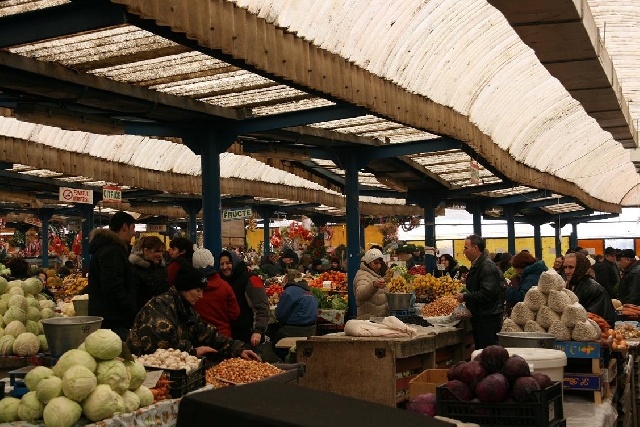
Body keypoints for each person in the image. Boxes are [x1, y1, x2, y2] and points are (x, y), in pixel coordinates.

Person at [126, 264, 260, 361]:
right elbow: (160, 349)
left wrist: (237, 349)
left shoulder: (186, 309)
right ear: (184, 288)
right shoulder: (159, 309)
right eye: (197, 290)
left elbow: (207, 333)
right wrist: (193, 351)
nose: (201, 296)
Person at [87, 211, 137, 341]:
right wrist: (131, 308)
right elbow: (113, 287)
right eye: (133, 228)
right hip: (113, 320)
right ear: (125, 227)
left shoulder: (105, 249)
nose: (134, 233)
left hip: (106, 316)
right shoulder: (113, 251)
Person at [455, 234, 503, 349]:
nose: (464, 251)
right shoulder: (479, 264)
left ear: (475, 248)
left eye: (466, 248)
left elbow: (487, 294)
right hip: (481, 317)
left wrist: (465, 297)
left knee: (487, 353)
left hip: (487, 319)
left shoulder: (486, 266)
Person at [218, 249, 270, 351]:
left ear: (235, 262)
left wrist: (258, 330)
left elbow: (262, 307)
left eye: (228, 263)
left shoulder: (251, 279)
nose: (224, 267)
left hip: (249, 337)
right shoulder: (221, 281)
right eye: (222, 264)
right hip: (230, 338)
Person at [192, 248, 240, 338]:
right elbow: (234, 314)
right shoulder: (225, 287)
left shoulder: (189, 288)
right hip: (223, 337)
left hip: (199, 337)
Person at [273, 269, 318, 360]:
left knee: (274, 342)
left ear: (287, 278)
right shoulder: (310, 292)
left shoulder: (289, 292)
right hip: (311, 330)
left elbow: (280, 315)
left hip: (292, 331)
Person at [564, 252, 616, 328]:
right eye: (565, 267)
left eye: (571, 267)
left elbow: (596, 320)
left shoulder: (593, 289)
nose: (567, 271)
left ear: (580, 267)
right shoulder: (571, 285)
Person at [129, 235, 169, 311]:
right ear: (146, 251)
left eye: (161, 251)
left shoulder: (161, 268)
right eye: (157, 251)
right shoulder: (136, 271)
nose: (160, 255)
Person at [354, 248, 387, 320]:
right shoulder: (362, 275)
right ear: (369, 262)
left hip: (378, 320)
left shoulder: (378, 274)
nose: (378, 266)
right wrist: (374, 285)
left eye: (380, 263)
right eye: (375, 263)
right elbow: (360, 294)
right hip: (367, 321)